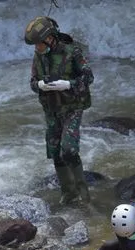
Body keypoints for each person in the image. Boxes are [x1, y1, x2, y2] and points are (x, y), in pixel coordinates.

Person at [24, 16, 94, 205]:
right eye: (35, 45)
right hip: (52, 109)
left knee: (69, 150)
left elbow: (88, 78)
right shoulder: (38, 55)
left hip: (72, 107)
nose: (37, 48)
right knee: (55, 152)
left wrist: (68, 84)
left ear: (50, 38)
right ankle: (68, 194)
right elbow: (32, 82)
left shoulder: (72, 52)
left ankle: (84, 194)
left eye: (39, 43)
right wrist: (39, 85)